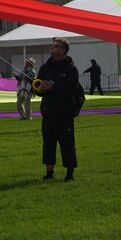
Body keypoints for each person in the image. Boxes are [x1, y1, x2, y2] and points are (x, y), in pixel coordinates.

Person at [33, 37, 79, 181]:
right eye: (52, 45)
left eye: (56, 46)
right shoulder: (45, 68)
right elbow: (38, 88)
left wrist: (54, 87)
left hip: (64, 113)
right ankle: (49, 173)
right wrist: (40, 89)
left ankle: (69, 174)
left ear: (63, 50)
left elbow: (73, 89)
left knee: (67, 144)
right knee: (48, 144)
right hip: (48, 112)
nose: (52, 47)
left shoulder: (71, 69)